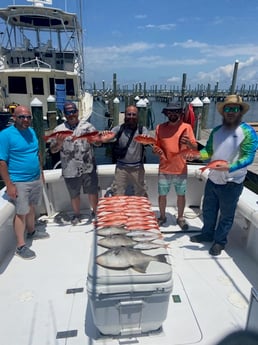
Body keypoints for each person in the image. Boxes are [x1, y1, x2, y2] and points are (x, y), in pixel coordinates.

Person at [189, 94, 258, 256]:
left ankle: (220, 242)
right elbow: (209, 152)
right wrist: (198, 155)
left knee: (226, 215)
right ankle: (207, 233)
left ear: (240, 111)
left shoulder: (247, 132)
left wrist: (230, 167)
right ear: (223, 111)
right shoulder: (216, 131)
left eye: (235, 108)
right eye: (227, 108)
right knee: (208, 209)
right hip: (213, 179)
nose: (231, 112)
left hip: (232, 181)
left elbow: (248, 157)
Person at [0, 105, 49, 260]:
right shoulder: (5, 135)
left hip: (34, 178)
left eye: (28, 117)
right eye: (22, 117)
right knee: (21, 213)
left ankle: (32, 231)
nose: (26, 120)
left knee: (31, 207)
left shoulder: (31, 131)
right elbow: (2, 162)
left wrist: (41, 172)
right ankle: (21, 246)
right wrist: (9, 185)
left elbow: (37, 153)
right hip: (19, 180)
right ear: (14, 117)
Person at [50, 101, 100, 225]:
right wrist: (59, 143)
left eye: (73, 111)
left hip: (88, 166)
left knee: (92, 191)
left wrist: (94, 140)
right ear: (64, 114)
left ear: (77, 112)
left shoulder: (88, 127)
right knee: (74, 194)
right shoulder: (59, 130)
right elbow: (52, 149)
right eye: (68, 112)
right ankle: (76, 215)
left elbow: (99, 143)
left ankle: (96, 213)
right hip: (70, 168)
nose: (71, 114)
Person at [154, 102, 198, 229]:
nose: (173, 114)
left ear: (180, 113)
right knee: (162, 194)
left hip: (181, 168)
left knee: (181, 195)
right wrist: (156, 150)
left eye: (176, 112)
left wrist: (189, 143)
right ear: (166, 113)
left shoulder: (187, 127)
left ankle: (180, 217)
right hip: (164, 168)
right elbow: (156, 147)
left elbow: (195, 147)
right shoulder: (159, 128)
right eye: (170, 112)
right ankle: (162, 216)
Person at [110, 105, 148, 196]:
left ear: (138, 116)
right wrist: (102, 137)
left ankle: (140, 209)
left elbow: (147, 141)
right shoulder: (118, 129)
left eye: (134, 115)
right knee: (117, 193)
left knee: (141, 193)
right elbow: (106, 138)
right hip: (121, 168)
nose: (131, 117)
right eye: (129, 114)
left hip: (137, 168)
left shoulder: (142, 130)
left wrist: (146, 139)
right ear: (125, 115)